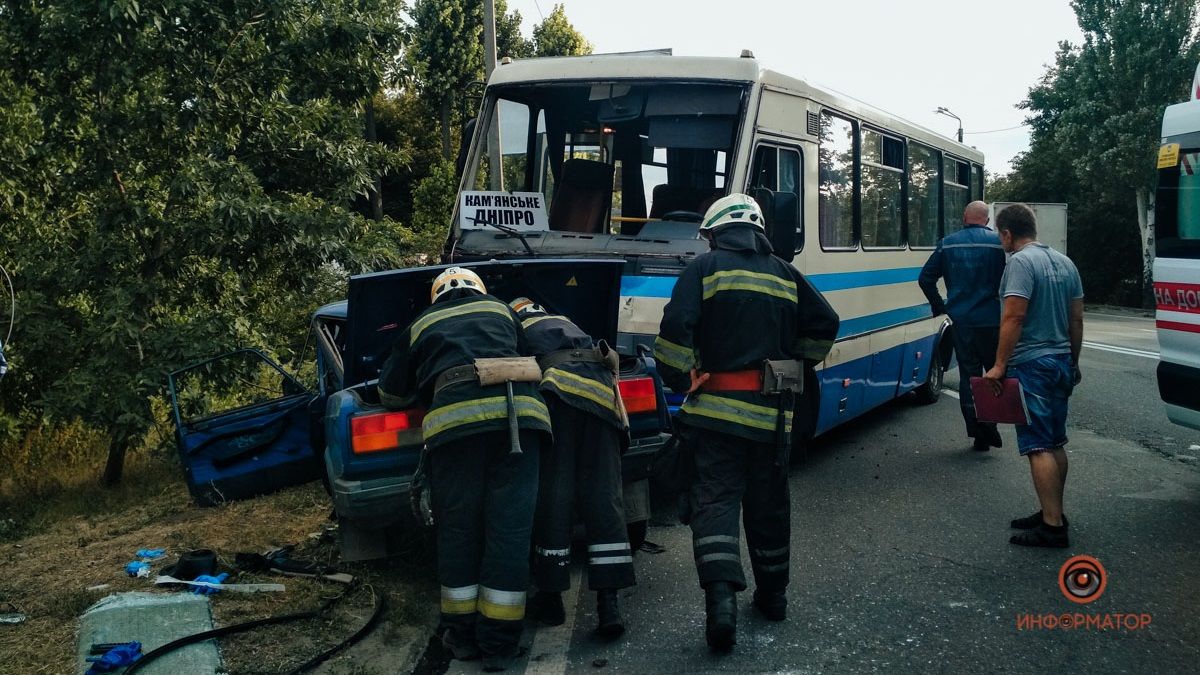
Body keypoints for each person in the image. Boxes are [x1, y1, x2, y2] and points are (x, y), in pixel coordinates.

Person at [654, 193, 839, 651]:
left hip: (715, 416)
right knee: (769, 505)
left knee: (714, 503)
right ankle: (773, 597)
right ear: (758, 230)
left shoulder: (705, 269)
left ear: (715, 232)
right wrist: (797, 363)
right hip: (773, 420)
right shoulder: (786, 273)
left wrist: (681, 375)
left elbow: (676, 329)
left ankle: (721, 606)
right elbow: (825, 324)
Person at [378, 267, 551, 671]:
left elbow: (390, 392)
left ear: (437, 296)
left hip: (455, 432)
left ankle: (463, 636)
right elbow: (528, 355)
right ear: (480, 289)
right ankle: (501, 645)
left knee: (459, 530)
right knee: (509, 531)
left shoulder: (421, 323)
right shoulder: (502, 311)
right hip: (519, 425)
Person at [508, 297, 635, 639]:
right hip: (600, 397)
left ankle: (551, 601)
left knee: (555, 495)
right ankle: (609, 607)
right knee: (604, 497)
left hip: (559, 397)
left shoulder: (515, 327)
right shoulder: (565, 320)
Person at [982, 204, 1083, 549]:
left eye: (1000, 235)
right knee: (1055, 441)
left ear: (1007, 234)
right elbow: (1077, 320)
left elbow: (1013, 317)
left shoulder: (1020, 263)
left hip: (1034, 366)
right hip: (1060, 361)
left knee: (1038, 445)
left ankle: (1052, 527)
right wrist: (1074, 360)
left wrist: (998, 366)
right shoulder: (1064, 262)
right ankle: (1051, 511)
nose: (1001, 241)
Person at [918, 200, 1007, 451]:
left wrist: (940, 306)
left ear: (963, 218)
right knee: (995, 374)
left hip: (962, 321)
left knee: (970, 376)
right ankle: (990, 427)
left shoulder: (948, 243)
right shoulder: (999, 244)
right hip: (993, 322)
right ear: (987, 221)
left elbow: (925, 278)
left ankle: (977, 430)